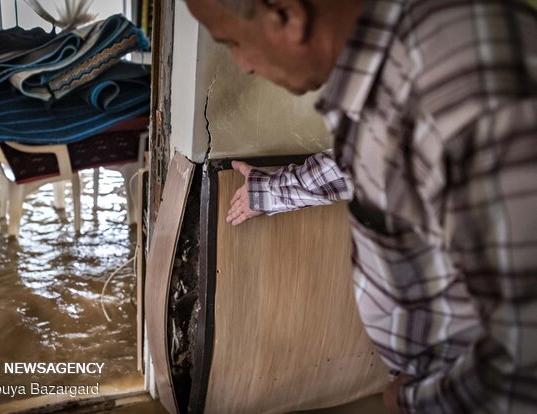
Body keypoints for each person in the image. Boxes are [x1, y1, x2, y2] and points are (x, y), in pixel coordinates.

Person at [184, 0, 537, 413]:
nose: (241, 64)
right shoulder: (396, 63)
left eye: (234, 42)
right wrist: (272, 192)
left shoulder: (462, 88)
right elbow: (373, 165)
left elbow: (526, 353)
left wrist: (418, 402)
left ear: (287, 15)